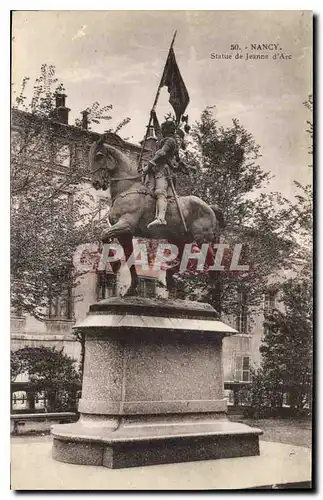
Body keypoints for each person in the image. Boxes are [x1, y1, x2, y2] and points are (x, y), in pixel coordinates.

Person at [143, 110, 185, 228]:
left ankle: (161, 218)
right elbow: (157, 130)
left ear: (168, 130)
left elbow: (161, 153)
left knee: (160, 192)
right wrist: (154, 116)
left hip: (164, 171)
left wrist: (149, 164)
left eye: (163, 128)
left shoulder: (171, 141)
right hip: (156, 170)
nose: (161, 130)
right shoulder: (163, 138)